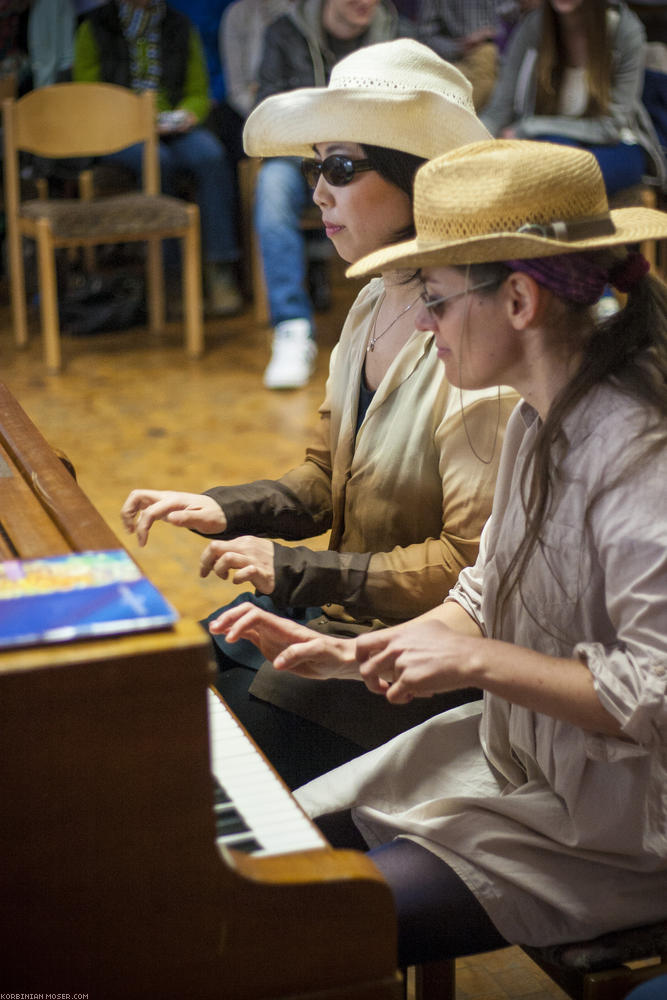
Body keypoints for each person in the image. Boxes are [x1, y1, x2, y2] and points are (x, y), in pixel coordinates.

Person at [212, 139, 667, 970]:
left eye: (436, 298)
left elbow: (655, 692)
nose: (421, 323)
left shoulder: (640, 455)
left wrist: (480, 662)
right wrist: (352, 655)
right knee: (265, 860)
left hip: (626, 824)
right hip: (525, 758)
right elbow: (489, 583)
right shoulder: (542, 415)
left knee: (299, 931)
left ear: (520, 300)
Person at [121, 39, 517, 790]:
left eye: (339, 168)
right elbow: (326, 475)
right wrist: (223, 507)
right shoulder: (374, 297)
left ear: (419, 179)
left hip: (420, 668)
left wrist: (296, 568)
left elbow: (468, 570)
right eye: (314, 169)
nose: (317, 192)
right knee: (157, 693)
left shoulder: (479, 341)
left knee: (184, 766)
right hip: (342, 622)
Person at [251, 0, 402, 389]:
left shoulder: (392, 33)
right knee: (271, 188)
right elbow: (267, 102)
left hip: (370, 157)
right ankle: (291, 326)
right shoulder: (284, 33)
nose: (365, 3)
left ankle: (400, 307)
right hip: (301, 154)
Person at [73, 0, 243, 316]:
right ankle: (171, 275)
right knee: (157, 161)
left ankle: (219, 267)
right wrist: (133, 119)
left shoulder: (179, 24)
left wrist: (189, 115)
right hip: (116, 130)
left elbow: (197, 88)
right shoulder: (93, 26)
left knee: (211, 155)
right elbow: (87, 91)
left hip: (173, 125)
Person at [480, 0, 666, 196]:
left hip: (616, 144)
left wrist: (529, 126)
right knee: (545, 158)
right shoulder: (533, 27)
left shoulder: (624, 30)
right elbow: (499, 110)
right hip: (553, 140)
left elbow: (611, 128)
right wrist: (468, 142)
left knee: (564, 173)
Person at [416, 0, 503, 110]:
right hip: (455, 59)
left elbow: (520, 15)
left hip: (501, 55)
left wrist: (492, 34)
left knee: (487, 54)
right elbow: (425, 36)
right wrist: (460, 47)